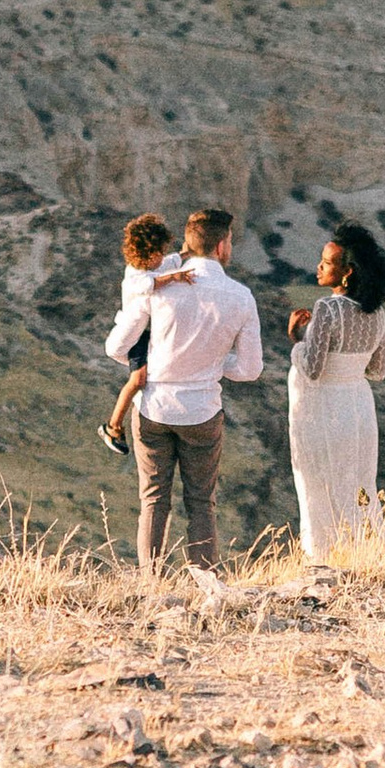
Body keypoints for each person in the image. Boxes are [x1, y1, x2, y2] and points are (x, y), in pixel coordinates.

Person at [105, 202, 262, 575]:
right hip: (203, 412)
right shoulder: (241, 297)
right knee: (201, 502)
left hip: (154, 408)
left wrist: (154, 363)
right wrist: (213, 362)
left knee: (154, 501)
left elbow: (116, 348)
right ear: (223, 246)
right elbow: (250, 369)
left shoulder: (159, 287)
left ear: (188, 244)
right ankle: (205, 580)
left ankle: (150, 582)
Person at [285, 219, 385, 562]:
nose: (318, 266)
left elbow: (313, 368)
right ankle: (364, 551)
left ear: (347, 272)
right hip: (358, 406)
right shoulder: (376, 312)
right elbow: (378, 370)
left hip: (324, 408)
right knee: (358, 481)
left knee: (319, 480)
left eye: (327, 262)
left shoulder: (327, 308)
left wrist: (296, 340)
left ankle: (322, 556)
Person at [98, 213, 191, 454]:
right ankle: (113, 425)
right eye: (159, 252)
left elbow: (169, 262)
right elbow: (152, 283)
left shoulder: (154, 266)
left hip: (146, 335)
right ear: (147, 254)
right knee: (137, 380)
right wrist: (175, 276)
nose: (162, 257)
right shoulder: (134, 276)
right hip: (136, 338)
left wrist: (186, 254)